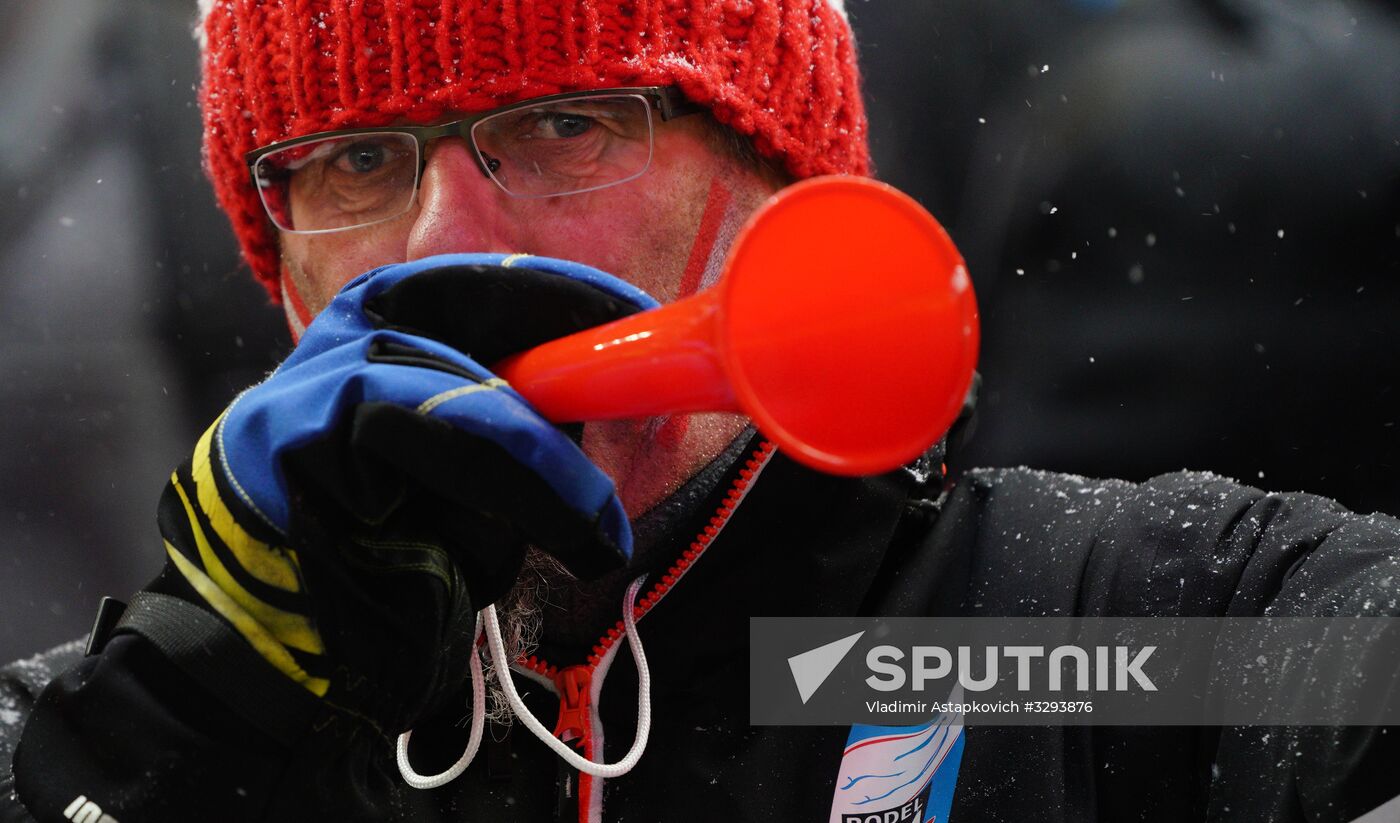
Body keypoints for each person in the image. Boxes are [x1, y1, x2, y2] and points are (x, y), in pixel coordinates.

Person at [1, 1, 1397, 821]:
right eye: (359, 162)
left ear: (779, 192)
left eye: (566, 125)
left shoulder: (1055, 633)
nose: (450, 238)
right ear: (288, 277)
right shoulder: (191, 712)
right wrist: (180, 710)